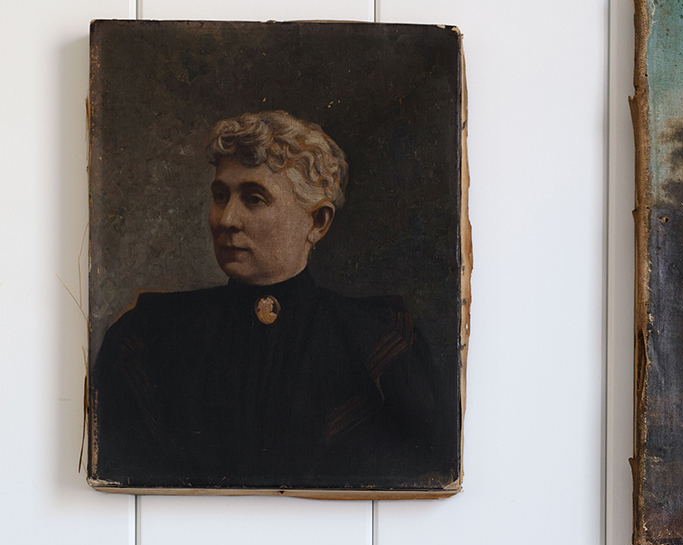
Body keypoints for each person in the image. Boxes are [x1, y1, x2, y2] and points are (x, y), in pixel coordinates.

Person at [91, 111, 454, 491]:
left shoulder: (382, 345)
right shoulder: (146, 338)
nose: (226, 219)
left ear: (318, 222)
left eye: (254, 198)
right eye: (220, 196)